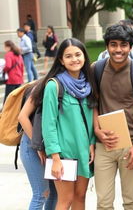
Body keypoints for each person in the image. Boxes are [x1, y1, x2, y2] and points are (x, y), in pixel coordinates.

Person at [93, 24, 133, 210]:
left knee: (131, 200)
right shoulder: (96, 69)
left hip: (131, 145)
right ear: (107, 46)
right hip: (105, 144)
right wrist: (96, 131)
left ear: (130, 46)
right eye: (113, 44)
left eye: (124, 45)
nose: (118, 49)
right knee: (103, 202)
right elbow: (93, 104)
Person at [38, 38, 96, 209]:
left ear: (84, 57)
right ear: (61, 61)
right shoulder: (54, 85)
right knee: (65, 200)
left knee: (80, 197)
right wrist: (55, 157)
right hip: (64, 154)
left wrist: (92, 143)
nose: (74, 59)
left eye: (78, 54)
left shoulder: (88, 84)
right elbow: (48, 124)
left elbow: (91, 116)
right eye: (68, 56)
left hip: (84, 151)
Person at [18, 79, 57, 210]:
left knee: (55, 194)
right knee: (41, 194)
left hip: (51, 147)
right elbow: (22, 116)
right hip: (32, 146)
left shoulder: (68, 83)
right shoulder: (44, 86)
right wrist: (38, 144)